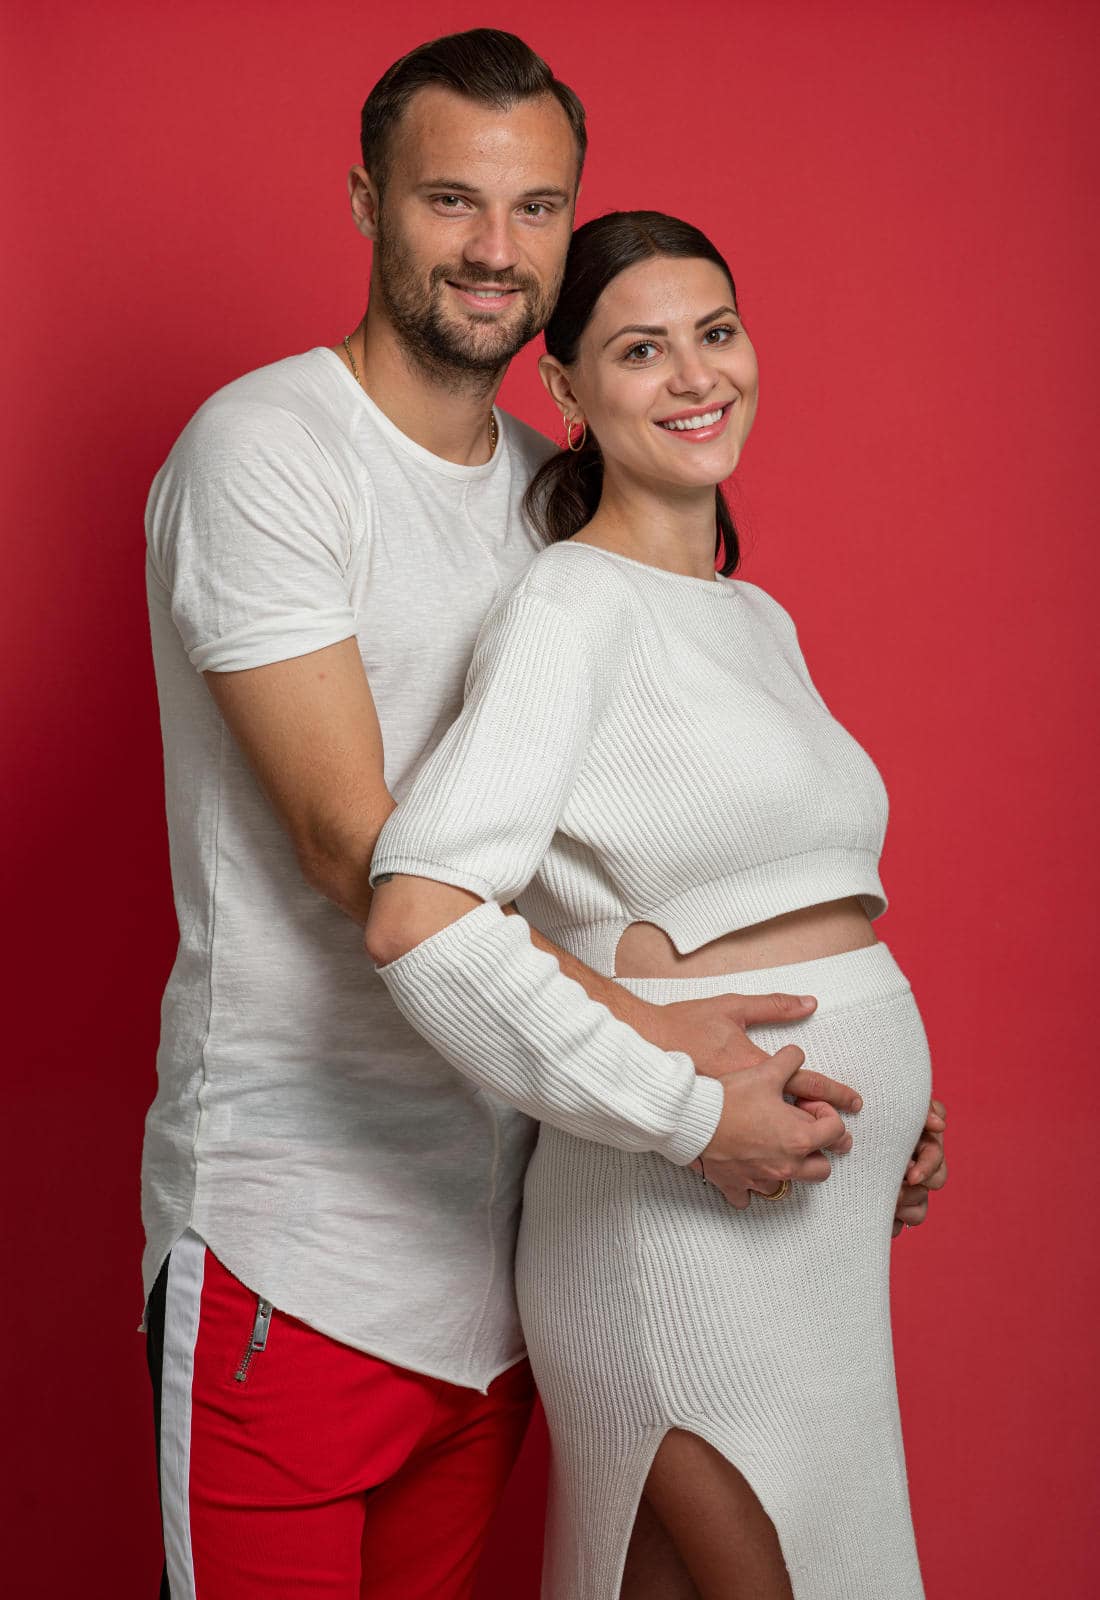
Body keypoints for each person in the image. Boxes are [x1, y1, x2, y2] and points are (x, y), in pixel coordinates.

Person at [141, 26, 945, 1599]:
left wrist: (834, 1080)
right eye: (452, 201)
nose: (496, 251)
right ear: (367, 198)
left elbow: (624, 851)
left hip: (508, 1232)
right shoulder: (270, 453)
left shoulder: (549, 497)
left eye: (536, 209)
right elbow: (359, 856)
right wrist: (683, 1067)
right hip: (299, 1242)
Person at [365, 211, 941, 1599]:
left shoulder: (754, 618)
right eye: (641, 349)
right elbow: (421, 915)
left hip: (813, 1227)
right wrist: (686, 1109)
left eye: (717, 333)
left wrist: (889, 1116)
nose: (697, 377)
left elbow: (780, 909)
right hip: (672, 1223)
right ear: (565, 390)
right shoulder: (570, 606)